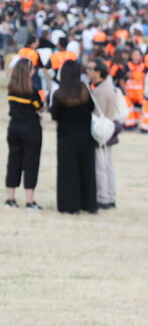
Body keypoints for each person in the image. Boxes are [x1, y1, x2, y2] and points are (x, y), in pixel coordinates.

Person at [50, 59, 96, 215]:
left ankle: (70, 205)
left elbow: (55, 114)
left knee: (67, 172)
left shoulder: (58, 95)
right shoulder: (84, 91)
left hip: (65, 136)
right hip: (85, 135)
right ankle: (89, 204)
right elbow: (91, 108)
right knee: (87, 169)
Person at [5, 58, 44, 210]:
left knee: (13, 162)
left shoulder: (11, 88)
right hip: (31, 129)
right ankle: (30, 201)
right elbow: (40, 108)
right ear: (27, 72)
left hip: (14, 127)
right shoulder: (32, 91)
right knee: (31, 163)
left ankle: (10, 198)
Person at [86, 59, 123, 210]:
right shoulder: (109, 87)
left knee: (101, 166)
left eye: (90, 68)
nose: (87, 71)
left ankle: (103, 197)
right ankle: (110, 195)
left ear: (98, 72)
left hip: (102, 131)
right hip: (109, 129)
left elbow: (96, 113)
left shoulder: (100, 91)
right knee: (108, 165)